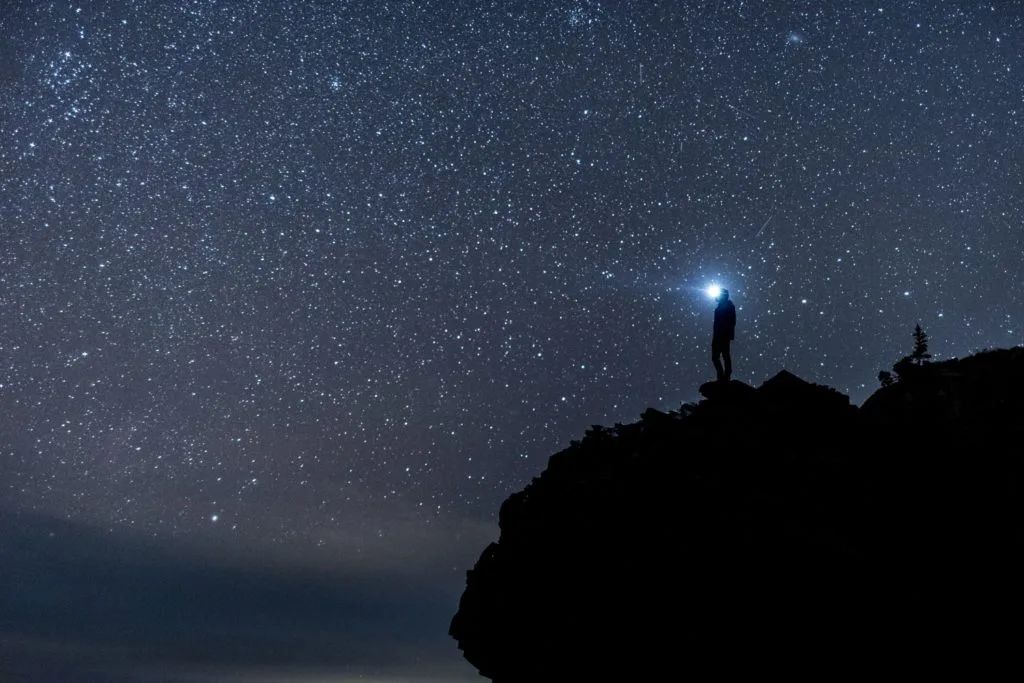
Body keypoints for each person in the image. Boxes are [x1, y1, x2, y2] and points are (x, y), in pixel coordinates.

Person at [712, 289, 736, 381]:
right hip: (718, 335)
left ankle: (725, 376)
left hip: (723, 335)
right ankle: (722, 376)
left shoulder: (729, 306)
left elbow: (732, 321)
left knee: (724, 355)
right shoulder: (720, 307)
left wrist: (728, 334)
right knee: (716, 357)